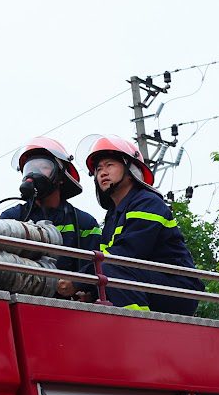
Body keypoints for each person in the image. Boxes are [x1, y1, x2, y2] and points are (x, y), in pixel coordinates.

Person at [80, 133, 203, 315]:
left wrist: (78, 280)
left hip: (179, 289)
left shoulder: (147, 203)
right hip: (148, 285)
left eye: (109, 165)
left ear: (131, 170)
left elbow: (125, 255)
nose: (102, 173)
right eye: (98, 169)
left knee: (109, 268)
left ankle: (135, 326)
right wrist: (88, 289)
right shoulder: (112, 216)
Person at [0, 137, 101, 299]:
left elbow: (96, 267)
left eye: (44, 167)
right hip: (21, 302)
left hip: (70, 307)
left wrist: (84, 288)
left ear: (60, 177)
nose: (35, 173)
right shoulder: (11, 218)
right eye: (30, 168)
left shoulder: (84, 223)